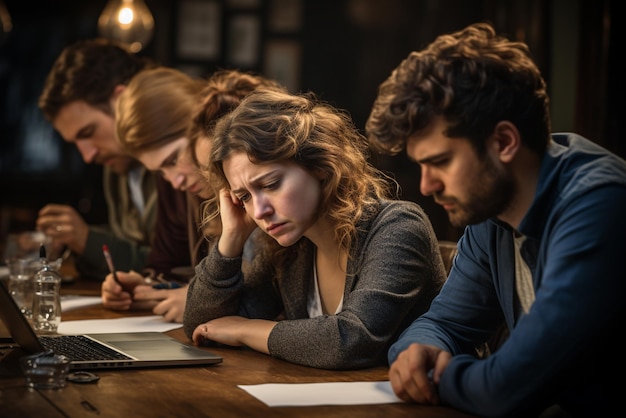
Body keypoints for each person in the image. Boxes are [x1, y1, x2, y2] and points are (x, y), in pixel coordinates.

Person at [365, 22, 626, 417]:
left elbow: (506, 388)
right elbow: (442, 325)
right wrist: (415, 354)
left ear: (503, 142)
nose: (425, 186)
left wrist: (442, 376)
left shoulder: (601, 204)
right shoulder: (491, 216)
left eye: (440, 162)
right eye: (420, 165)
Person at [184, 88, 447, 370]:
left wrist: (244, 330)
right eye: (245, 196)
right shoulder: (292, 247)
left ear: (321, 166)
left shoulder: (397, 227)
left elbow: (351, 341)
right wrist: (232, 238)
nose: (259, 211)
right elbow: (203, 325)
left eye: (271, 185)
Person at [101, 67, 285, 322]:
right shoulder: (214, 198)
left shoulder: (262, 199)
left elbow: (259, 302)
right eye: (161, 173)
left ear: (204, 130)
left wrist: (195, 297)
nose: (174, 181)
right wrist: (152, 288)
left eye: (174, 159)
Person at [35, 38, 162, 280]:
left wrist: (87, 239)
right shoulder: (117, 165)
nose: (87, 155)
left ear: (121, 101)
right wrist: (73, 239)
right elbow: (132, 244)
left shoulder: (178, 163)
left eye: (89, 133)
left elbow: (173, 264)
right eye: (76, 143)